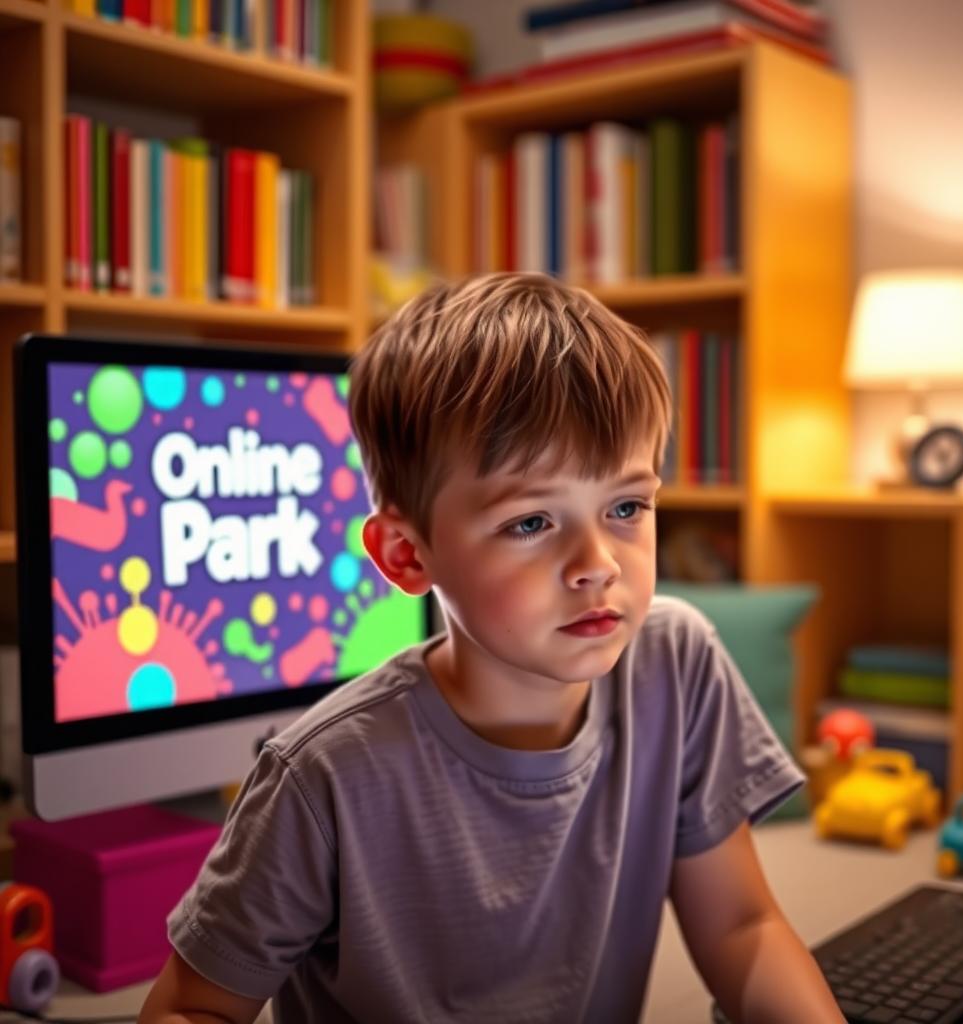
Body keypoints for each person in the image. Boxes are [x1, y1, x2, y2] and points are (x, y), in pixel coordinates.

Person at [139, 272, 843, 1023]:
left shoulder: (678, 664)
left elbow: (743, 929)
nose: (599, 562)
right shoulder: (322, 775)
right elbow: (193, 1006)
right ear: (408, 555)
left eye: (627, 506)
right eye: (532, 522)